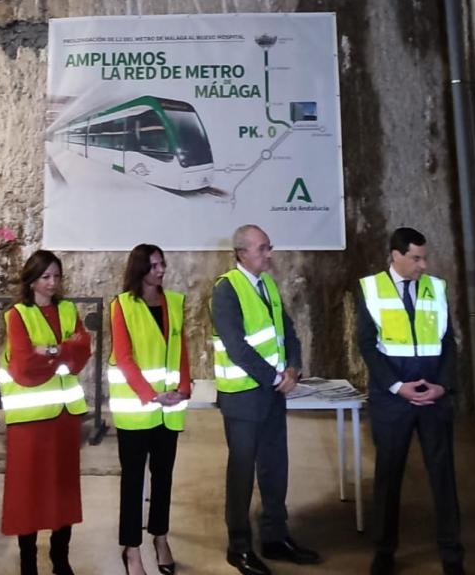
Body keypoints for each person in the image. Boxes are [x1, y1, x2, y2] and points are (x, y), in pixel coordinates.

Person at [210, 224, 320, 575]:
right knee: (242, 474)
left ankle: (275, 537)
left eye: (269, 247)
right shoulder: (226, 290)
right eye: (262, 248)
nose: (269, 254)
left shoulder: (268, 285)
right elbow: (236, 347)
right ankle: (239, 547)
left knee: (275, 469)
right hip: (243, 398)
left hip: (272, 395)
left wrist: (294, 368)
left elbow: (288, 332)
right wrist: (276, 377)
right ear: (241, 253)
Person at [356, 227, 464, 575]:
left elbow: (448, 342)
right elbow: (367, 344)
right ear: (395, 255)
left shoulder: (436, 288)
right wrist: (395, 386)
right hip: (393, 400)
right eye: (416, 258)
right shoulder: (370, 288)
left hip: (433, 396)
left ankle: (452, 553)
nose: (423, 265)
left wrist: (442, 386)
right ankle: (384, 550)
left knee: (443, 475)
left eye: (424, 258)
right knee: (388, 476)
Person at [0, 250, 91, 575]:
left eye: (57, 276)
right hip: (30, 422)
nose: (53, 283)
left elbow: (83, 352)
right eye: (46, 277)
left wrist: (51, 351)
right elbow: (24, 366)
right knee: (28, 494)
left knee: (63, 491)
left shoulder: (67, 310)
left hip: (65, 418)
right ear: (31, 280)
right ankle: (28, 562)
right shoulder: (17, 315)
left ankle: (60, 559)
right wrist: (64, 351)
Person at [109, 244, 192, 575]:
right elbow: (124, 358)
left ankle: (160, 538)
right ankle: (131, 550)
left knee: (163, 477)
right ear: (140, 269)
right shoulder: (122, 305)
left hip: (169, 409)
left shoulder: (174, 302)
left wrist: (183, 388)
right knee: (132, 482)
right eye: (154, 265)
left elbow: (181, 349)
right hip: (137, 410)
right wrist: (151, 394)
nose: (161, 270)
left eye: (162, 264)